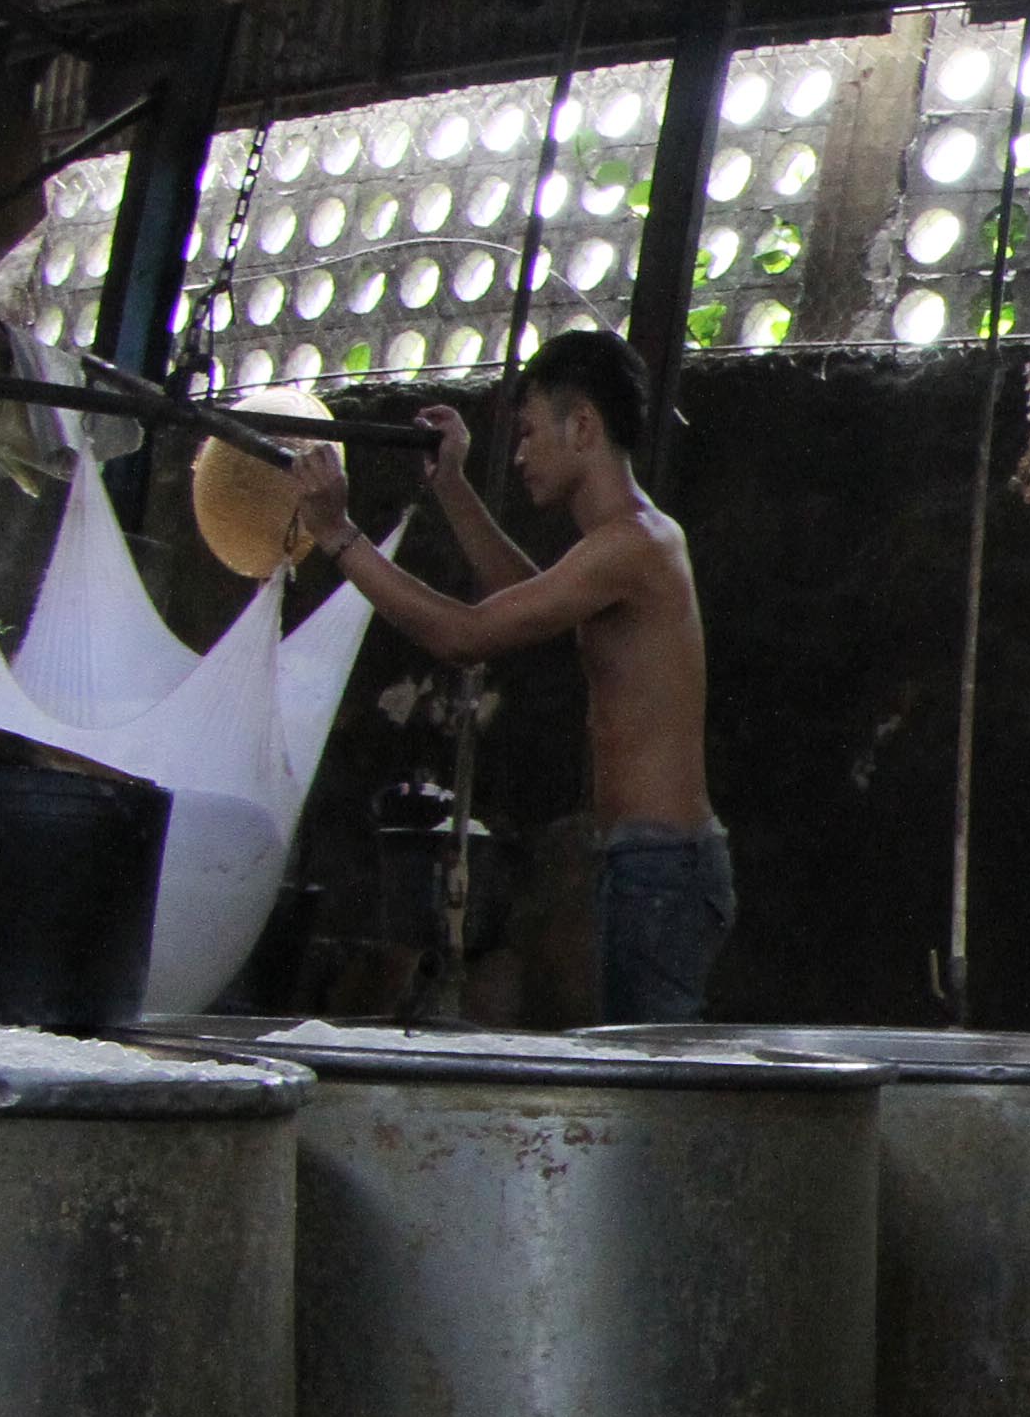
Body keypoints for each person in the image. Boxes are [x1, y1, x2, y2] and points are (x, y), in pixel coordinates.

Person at [288, 328, 724, 1021]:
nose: (519, 456)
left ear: (582, 425)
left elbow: (464, 636)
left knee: (654, 1096)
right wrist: (454, 487)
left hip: (660, 866)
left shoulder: (633, 545)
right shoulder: (621, 547)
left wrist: (338, 536)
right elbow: (519, 595)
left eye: (527, 433)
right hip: (647, 861)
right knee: (641, 1081)